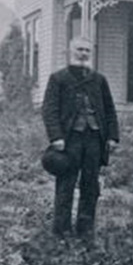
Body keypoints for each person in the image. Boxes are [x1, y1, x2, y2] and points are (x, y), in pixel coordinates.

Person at [42, 36, 119, 241]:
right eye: (79, 49)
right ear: (70, 51)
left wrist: (112, 136)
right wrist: (56, 136)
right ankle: (62, 232)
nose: (83, 53)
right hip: (70, 140)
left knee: (90, 185)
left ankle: (85, 231)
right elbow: (49, 110)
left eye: (87, 50)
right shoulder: (59, 78)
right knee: (66, 184)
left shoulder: (99, 80)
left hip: (94, 139)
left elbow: (109, 109)